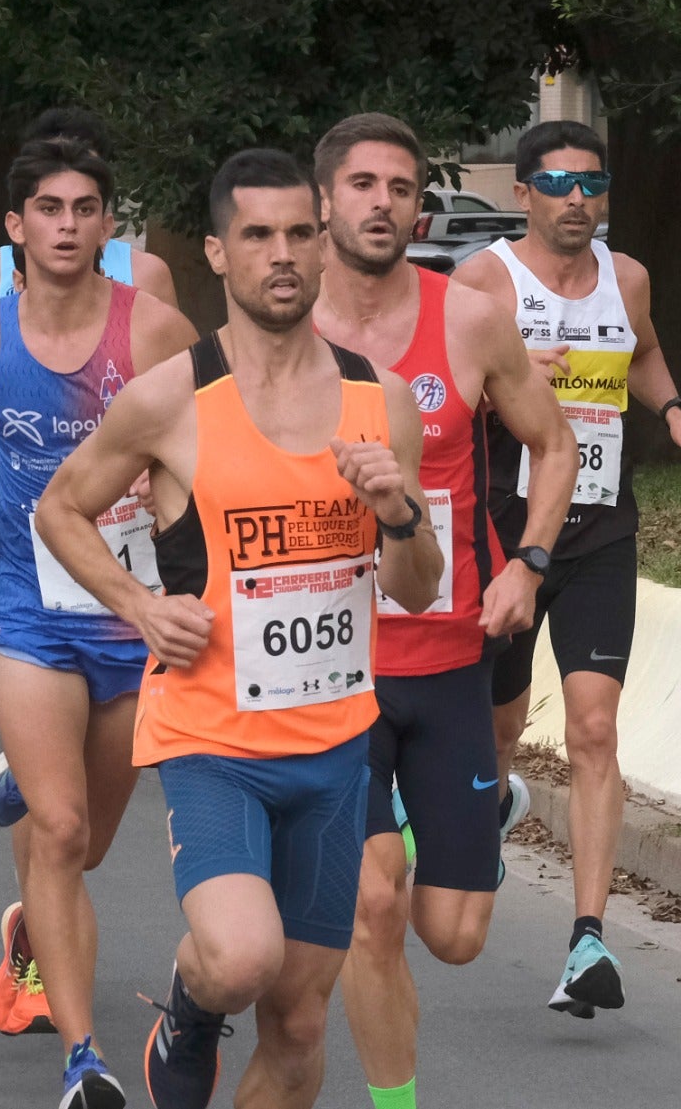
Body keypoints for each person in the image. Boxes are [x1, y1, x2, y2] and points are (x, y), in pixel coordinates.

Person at [38, 148, 442, 1109]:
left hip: (338, 746)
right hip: (212, 738)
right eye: (258, 235)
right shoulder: (171, 398)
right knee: (241, 957)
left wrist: (398, 514)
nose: (284, 254)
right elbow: (59, 508)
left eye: (301, 232)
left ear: (325, 244)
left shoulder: (378, 402)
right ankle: (188, 1000)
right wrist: (140, 606)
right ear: (219, 253)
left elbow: (419, 589)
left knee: (301, 1026)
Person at [310, 114, 577, 1109]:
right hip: (334, 670)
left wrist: (532, 564)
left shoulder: (463, 317)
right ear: (322, 199)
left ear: (420, 207)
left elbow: (553, 445)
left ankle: (471, 815)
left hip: (452, 653)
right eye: (362, 183)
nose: (382, 201)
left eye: (400, 186)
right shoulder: (282, 331)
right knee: (372, 908)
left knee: (453, 936)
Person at [0, 136, 197, 1108]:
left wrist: (174, 532)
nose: (67, 225)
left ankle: (20, 788)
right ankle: (83, 1057)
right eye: (48, 208)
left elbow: (190, 449)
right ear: (15, 226)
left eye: (85, 208)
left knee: (85, 845)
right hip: (29, 603)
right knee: (60, 827)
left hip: (128, 614)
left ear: (106, 225)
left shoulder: (159, 330)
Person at [453, 120, 681, 1017]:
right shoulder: (483, 282)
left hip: (601, 532)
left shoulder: (627, 279)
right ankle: (495, 799)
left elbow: (648, 352)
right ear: (523, 194)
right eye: (557, 182)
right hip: (508, 536)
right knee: (501, 728)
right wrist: (510, 380)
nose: (578, 199)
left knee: (593, 728)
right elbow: (434, 388)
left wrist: (668, 404)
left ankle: (588, 937)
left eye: (592, 183)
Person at [0, 109, 179, 434]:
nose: (67, 173)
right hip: (6, 477)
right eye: (52, 164)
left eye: (82, 166)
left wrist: (152, 454)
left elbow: (180, 384)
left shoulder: (146, 274)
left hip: (115, 479)